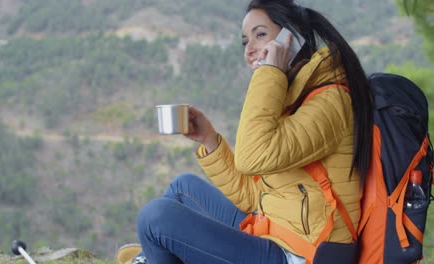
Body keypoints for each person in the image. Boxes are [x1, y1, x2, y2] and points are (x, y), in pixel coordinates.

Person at [117, 0, 373, 263]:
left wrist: (271, 72)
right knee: (182, 187)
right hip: (275, 230)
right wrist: (209, 140)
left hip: (302, 254)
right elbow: (253, 198)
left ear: (291, 38)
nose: (249, 50)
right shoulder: (294, 98)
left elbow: (251, 157)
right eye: (244, 41)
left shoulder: (330, 102)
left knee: (155, 218)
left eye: (260, 35)